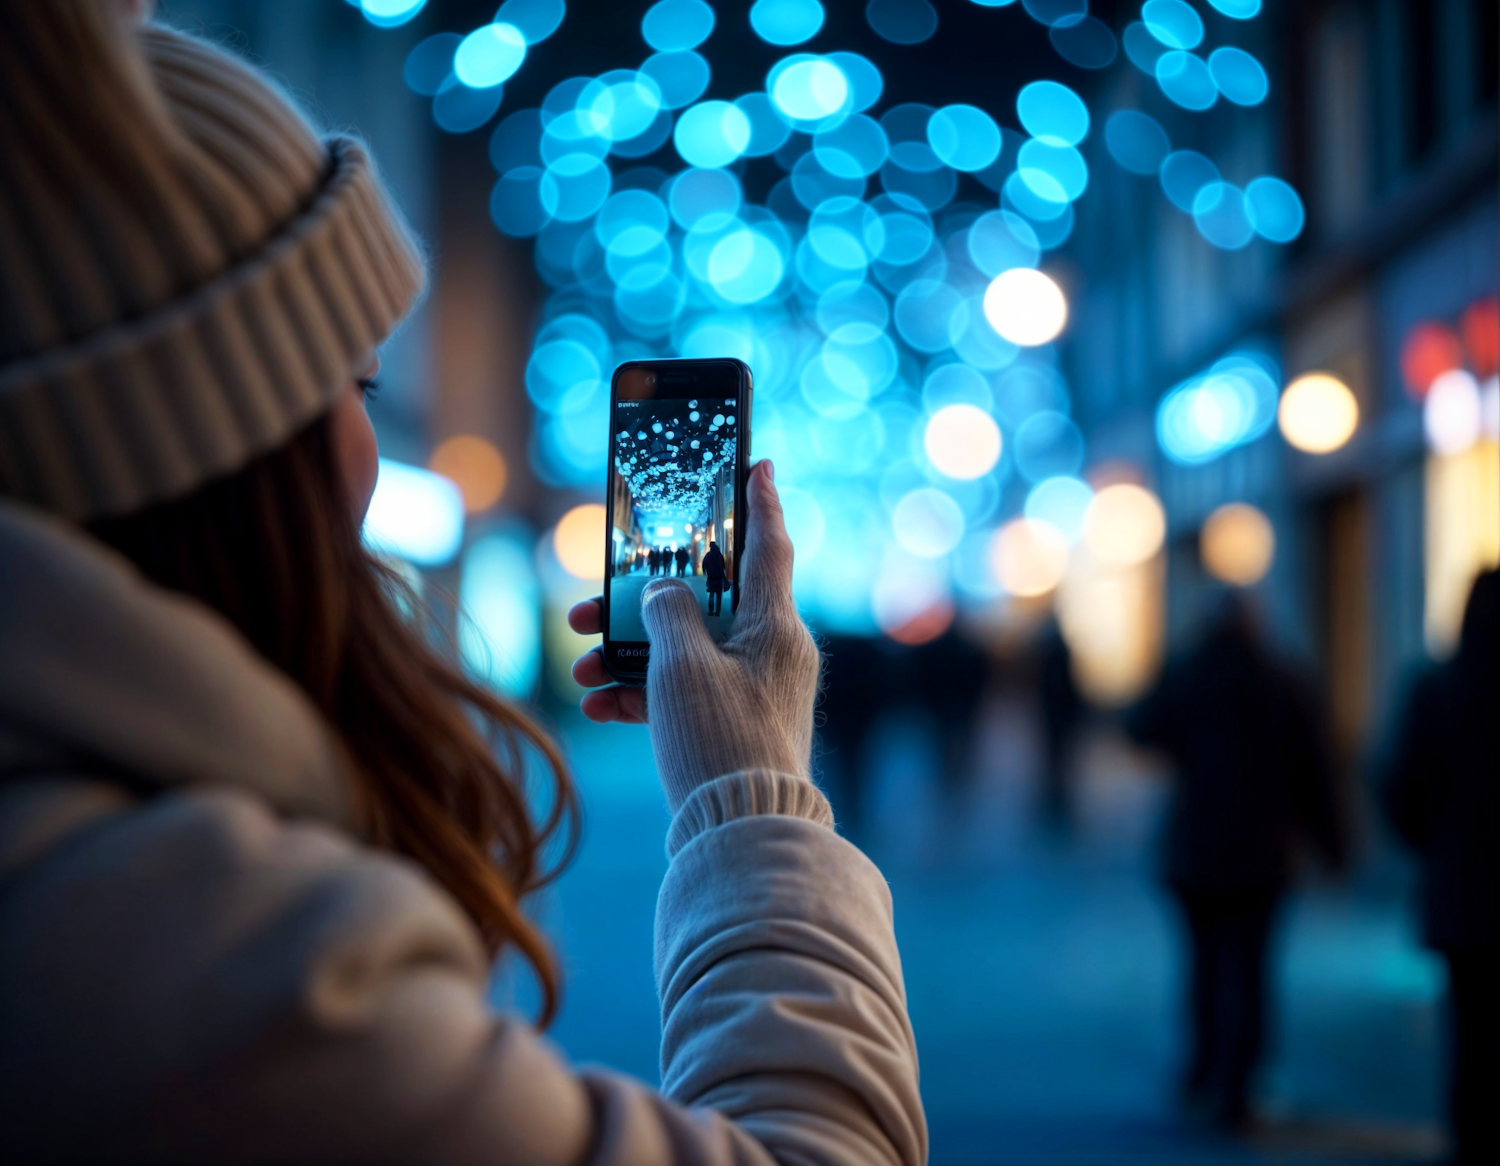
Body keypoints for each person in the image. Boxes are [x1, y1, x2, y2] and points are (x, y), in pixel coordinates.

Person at [0, 6, 926, 1164]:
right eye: (358, 383)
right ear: (221, 440)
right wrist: (752, 792)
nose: (366, 446)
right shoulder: (213, 975)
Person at [1126, 593, 1346, 1133]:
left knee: (1202, 966)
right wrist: (1334, 845)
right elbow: (1314, 767)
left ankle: (1202, 1072)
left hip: (1196, 848)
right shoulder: (1282, 677)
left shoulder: (1189, 672)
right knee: (1250, 969)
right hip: (1261, 852)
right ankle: (1240, 1084)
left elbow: (1141, 728)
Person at [1381, 570, 1498, 1166]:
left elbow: (1400, 787)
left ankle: (1469, 1137)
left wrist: (1432, 848)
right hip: (1462, 885)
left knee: (1470, 1026)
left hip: (1462, 893)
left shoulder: (1435, 688)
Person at [702, 539, 727, 616]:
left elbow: (704, 565)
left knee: (711, 595)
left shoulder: (708, 555)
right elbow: (723, 567)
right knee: (719, 596)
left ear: (710, 546)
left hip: (711, 579)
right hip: (719, 578)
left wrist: (705, 572)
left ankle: (711, 611)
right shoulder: (719, 555)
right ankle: (718, 612)